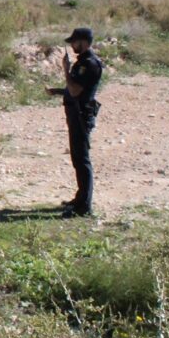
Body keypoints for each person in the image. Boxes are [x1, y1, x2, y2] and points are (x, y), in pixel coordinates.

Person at [46, 27, 103, 218]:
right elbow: (74, 90)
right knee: (77, 158)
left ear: (84, 42)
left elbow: (76, 90)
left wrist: (65, 69)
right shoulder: (82, 63)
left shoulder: (90, 64)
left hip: (81, 115)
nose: (72, 45)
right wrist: (57, 91)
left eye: (74, 42)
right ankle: (80, 199)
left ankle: (84, 207)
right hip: (75, 113)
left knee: (82, 159)